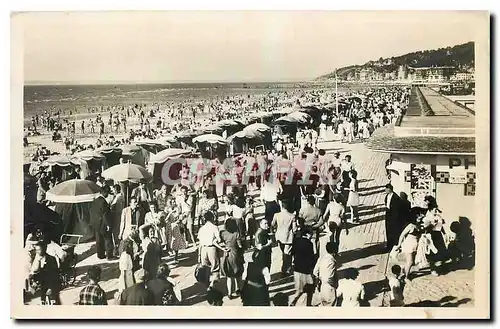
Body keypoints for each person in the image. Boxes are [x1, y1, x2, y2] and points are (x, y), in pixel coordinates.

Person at [197, 211, 226, 289]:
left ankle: (207, 286)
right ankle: (212, 284)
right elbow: (219, 239)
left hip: (203, 249)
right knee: (215, 268)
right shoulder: (214, 227)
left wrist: (199, 255)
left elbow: (200, 243)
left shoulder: (201, 228)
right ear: (212, 218)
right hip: (211, 249)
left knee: (205, 268)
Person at [290, 228, 316, 306]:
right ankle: (308, 304)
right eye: (311, 234)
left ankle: (293, 302)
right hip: (306, 270)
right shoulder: (309, 243)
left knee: (299, 290)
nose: (312, 235)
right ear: (307, 234)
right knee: (310, 288)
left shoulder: (296, 241)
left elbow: (292, 253)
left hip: (297, 268)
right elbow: (312, 257)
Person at [272, 199, 297, 277]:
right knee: (287, 254)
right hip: (288, 237)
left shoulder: (276, 215)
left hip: (279, 237)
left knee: (284, 253)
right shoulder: (292, 216)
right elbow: (295, 229)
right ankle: (285, 270)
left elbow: (273, 224)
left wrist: (275, 230)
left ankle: (286, 268)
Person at [220, 218, 244, 299]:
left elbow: (220, 241)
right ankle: (239, 290)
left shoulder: (223, 234)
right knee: (238, 275)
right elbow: (240, 245)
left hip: (227, 255)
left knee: (229, 276)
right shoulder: (236, 234)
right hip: (236, 254)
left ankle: (229, 293)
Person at [90, 186, 115, 260]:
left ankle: (100, 255)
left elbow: (91, 212)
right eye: (107, 193)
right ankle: (109, 255)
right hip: (103, 224)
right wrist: (108, 225)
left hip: (95, 223)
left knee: (99, 240)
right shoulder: (103, 202)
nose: (108, 195)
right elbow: (105, 215)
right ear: (104, 192)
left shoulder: (95, 201)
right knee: (107, 239)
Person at [395, 215, 422, 281]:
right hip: (409, 245)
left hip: (415, 246)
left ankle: (405, 271)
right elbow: (402, 235)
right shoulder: (410, 226)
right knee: (410, 261)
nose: (421, 217)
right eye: (419, 216)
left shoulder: (419, 225)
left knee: (410, 262)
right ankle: (405, 277)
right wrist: (399, 245)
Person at [313, 242, 339, 307]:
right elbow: (329, 278)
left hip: (321, 288)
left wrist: (318, 282)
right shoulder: (331, 261)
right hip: (329, 288)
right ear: (335, 251)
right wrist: (334, 285)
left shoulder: (321, 258)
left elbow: (315, 272)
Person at [384, 184, 402, 251]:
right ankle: (389, 245)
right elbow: (386, 203)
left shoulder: (395, 197)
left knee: (393, 231)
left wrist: (395, 218)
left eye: (386, 189)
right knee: (388, 230)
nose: (385, 190)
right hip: (388, 214)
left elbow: (397, 209)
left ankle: (393, 246)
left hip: (393, 216)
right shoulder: (387, 196)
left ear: (389, 189)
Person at [110, 184, 125, 254]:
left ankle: (117, 249)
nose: (113, 191)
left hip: (116, 216)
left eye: (113, 190)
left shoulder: (118, 198)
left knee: (116, 233)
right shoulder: (121, 196)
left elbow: (112, 206)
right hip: (119, 215)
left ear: (116, 190)